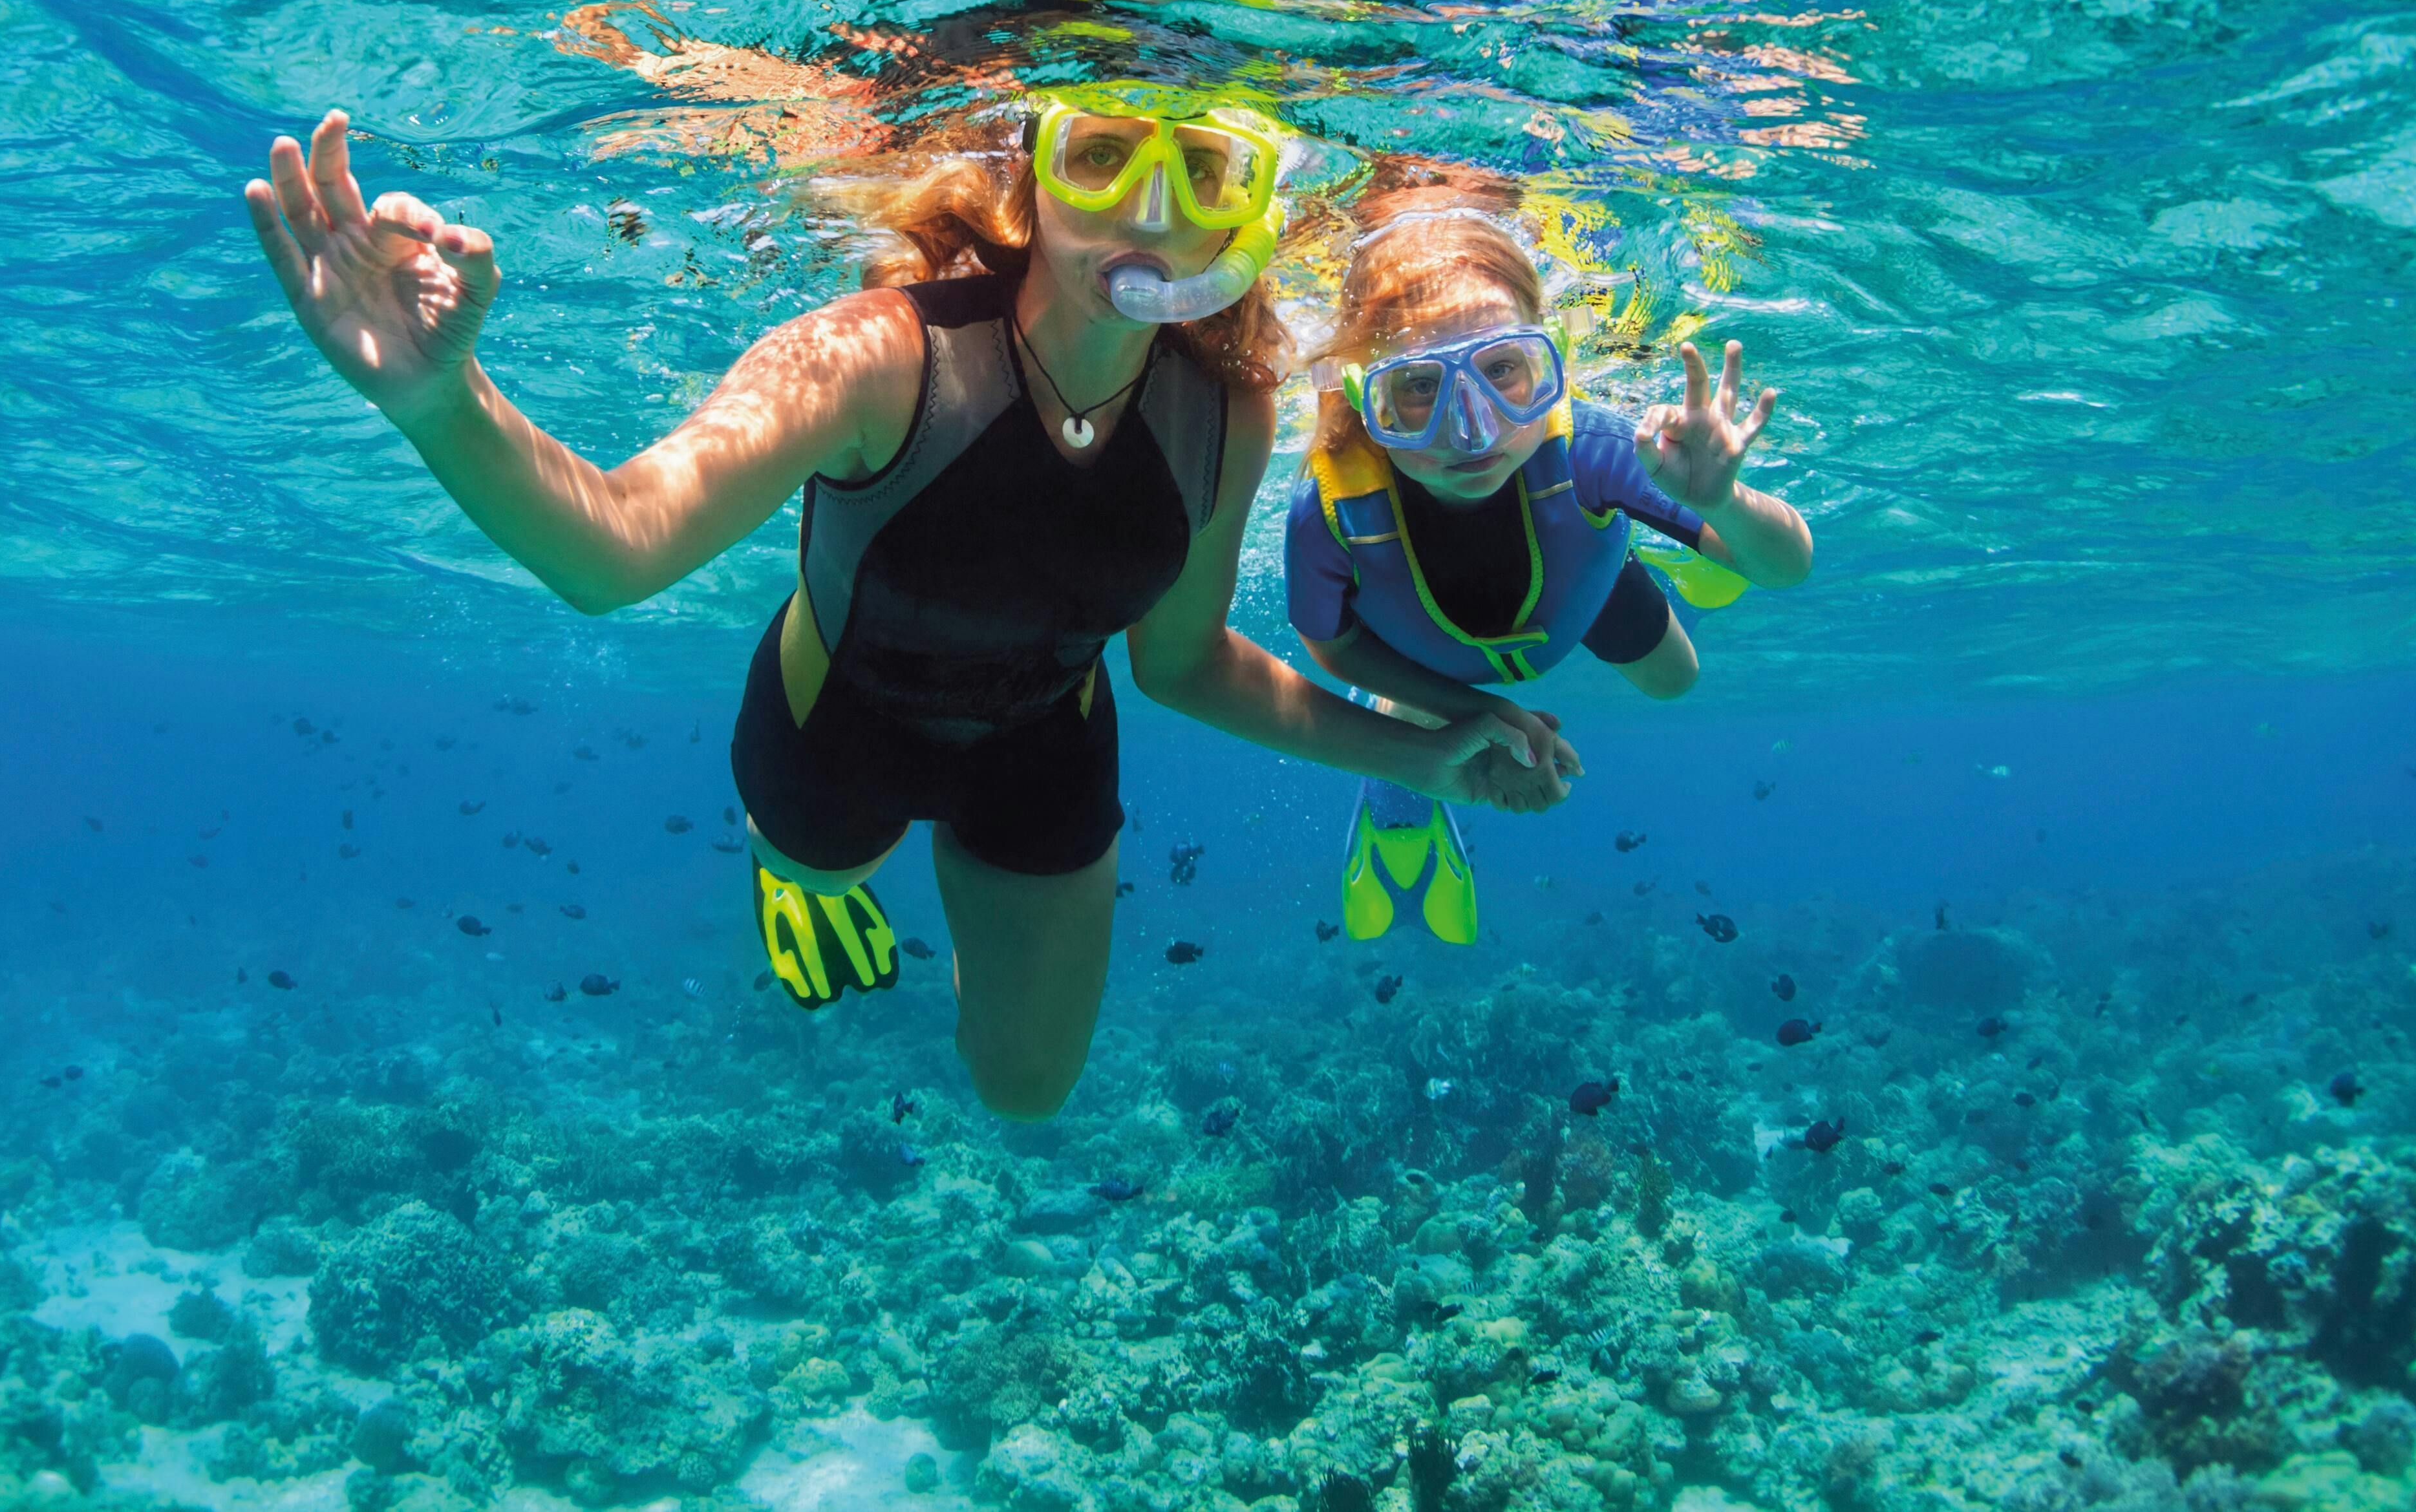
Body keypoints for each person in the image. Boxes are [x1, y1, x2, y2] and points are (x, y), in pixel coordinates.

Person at [242, 96, 1569, 1119]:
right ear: (1033, 174)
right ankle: (792, 863)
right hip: (838, 725)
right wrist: (436, 400)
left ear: (1243, 213)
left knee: (1025, 1091)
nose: (1150, 212)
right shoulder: (880, 352)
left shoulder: (1228, 405)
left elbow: (1181, 664)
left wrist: (1428, 749)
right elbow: (617, 548)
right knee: (822, 865)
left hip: (1049, 737)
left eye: (1205, 171)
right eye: (1104, 155)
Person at [1286, 170, 1813, 946]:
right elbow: (1327, 645)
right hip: (1424, 653)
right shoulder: (1330, 509)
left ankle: (1676, 537)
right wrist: (1475, 714)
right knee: (1433, 708)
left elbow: (1786, 566)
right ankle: (1399, 788)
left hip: (1580, 584)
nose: (1470, 432)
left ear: (1553, 361)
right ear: (1365, 398)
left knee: (1677, 680)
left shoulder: (1595, 448)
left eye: (1503, 371)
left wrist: (1720, 503)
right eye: (1418, 389)